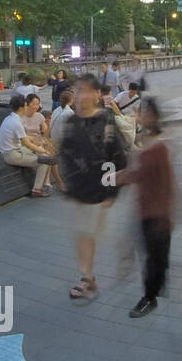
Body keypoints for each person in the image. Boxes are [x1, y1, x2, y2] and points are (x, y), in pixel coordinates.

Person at [56, 76, 134, 302]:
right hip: (79, 192)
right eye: (79, 90)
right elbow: (66, 155)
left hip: (97, 193)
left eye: (89, 91)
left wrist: (111, 191)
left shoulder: (105, 121)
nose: (83, 96)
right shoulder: (70, 122)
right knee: (83, 236)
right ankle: (88, 277)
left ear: (97, 95)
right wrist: (67, 186)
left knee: (86, 236)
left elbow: (117, 158)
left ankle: (88, 280)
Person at [127, 97, 178, 317]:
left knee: (152, 256)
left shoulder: (159, 147)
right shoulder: (145, 139)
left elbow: (167, 183)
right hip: (146, 208)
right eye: (140, 112)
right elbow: (139, 173)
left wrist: (167, 214)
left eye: (144, 113)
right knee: (154, 254)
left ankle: (149, 298)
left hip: (156, 213)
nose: (140, 116)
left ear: (154, 117)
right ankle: (159, 282)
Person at [0, 92, 58, 196]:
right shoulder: (17, 122)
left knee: (43, 155)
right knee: (44, 161)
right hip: (13, 155)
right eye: (26, 105)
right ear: (22, 107)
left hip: (13, 151)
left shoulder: (9, 118)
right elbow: (27, 143)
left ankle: (43, 183)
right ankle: (37, 190)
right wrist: (43, 151)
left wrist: (38, 143)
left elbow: (25, 138)